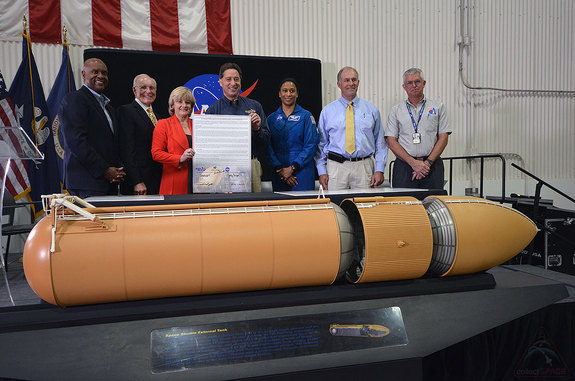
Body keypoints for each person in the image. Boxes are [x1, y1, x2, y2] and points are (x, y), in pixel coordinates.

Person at [59, 58, 125, 198]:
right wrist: (105, 170)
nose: (100, 76)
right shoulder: (75, 100)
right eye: (95, 72)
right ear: (84, 75)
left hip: (108, 182)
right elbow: (77, 142)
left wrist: (116, 171)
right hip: (86, 183)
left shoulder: (109, 107)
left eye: (104, 73)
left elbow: (111, 144)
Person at [315, 66, 387, 190]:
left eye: (354, 80)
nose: (351, 83)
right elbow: (321, 144)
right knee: (335, 207)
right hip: (336, 168)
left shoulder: (372, 110)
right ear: (339, 84)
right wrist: (321, 170)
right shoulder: (327, 111)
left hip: (363, 168)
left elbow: (380, 143)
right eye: (346, 80)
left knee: (363, 207)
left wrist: (380, 169)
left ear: (358, 83)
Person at [205, 62, 270, 192]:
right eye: (228, 79)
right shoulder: (212, 111)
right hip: (222, 167)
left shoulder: (255, 106)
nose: (233, 83)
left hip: (251, 164)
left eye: (236, 79)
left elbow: (266, 141)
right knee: (227, 207)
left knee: (253, 208)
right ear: (220, 82)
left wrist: (256, 129)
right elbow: (208, 147)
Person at [385, 68, 450, 189]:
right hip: (404, 167)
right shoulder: (396, 110)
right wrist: (413, 163)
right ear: (404, 86)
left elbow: (443, 138)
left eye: (417, 81)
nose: (414, 85)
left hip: (431, 166)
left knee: (432, 205)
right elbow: (391, 141)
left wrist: (427, 163)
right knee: (404, 206)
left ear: (424, 83)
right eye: (409, 83)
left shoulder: (438, 107)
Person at [267, 78, 319, 191]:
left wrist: (292, 168)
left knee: (303, 206)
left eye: (292, 91)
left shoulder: (306, 116)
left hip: (302, 171)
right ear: (279, 94)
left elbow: (311, 145)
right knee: (280, 207)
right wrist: (281, 170)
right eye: (285, 91)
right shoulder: (271, 119)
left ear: (297, 94)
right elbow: (268, 147)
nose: (288, 94)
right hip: (279, 173)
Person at [118, 74, 162, 195]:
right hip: (139, 184)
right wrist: (136, 181)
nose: (148, 91)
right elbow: (127, 150)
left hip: (157, 180)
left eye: (152, 88)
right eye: (143, 87)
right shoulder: (127, 111)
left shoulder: (158, 117)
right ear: (134, 90)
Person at [151, 86, 196, 195]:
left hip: (198, 181)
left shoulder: (197, 124)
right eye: (179, 102)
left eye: (188, 102)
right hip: (174, 180)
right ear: (172, 105)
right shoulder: (163, 124)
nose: (184, 105)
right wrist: (180, 158)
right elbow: (156, 153)